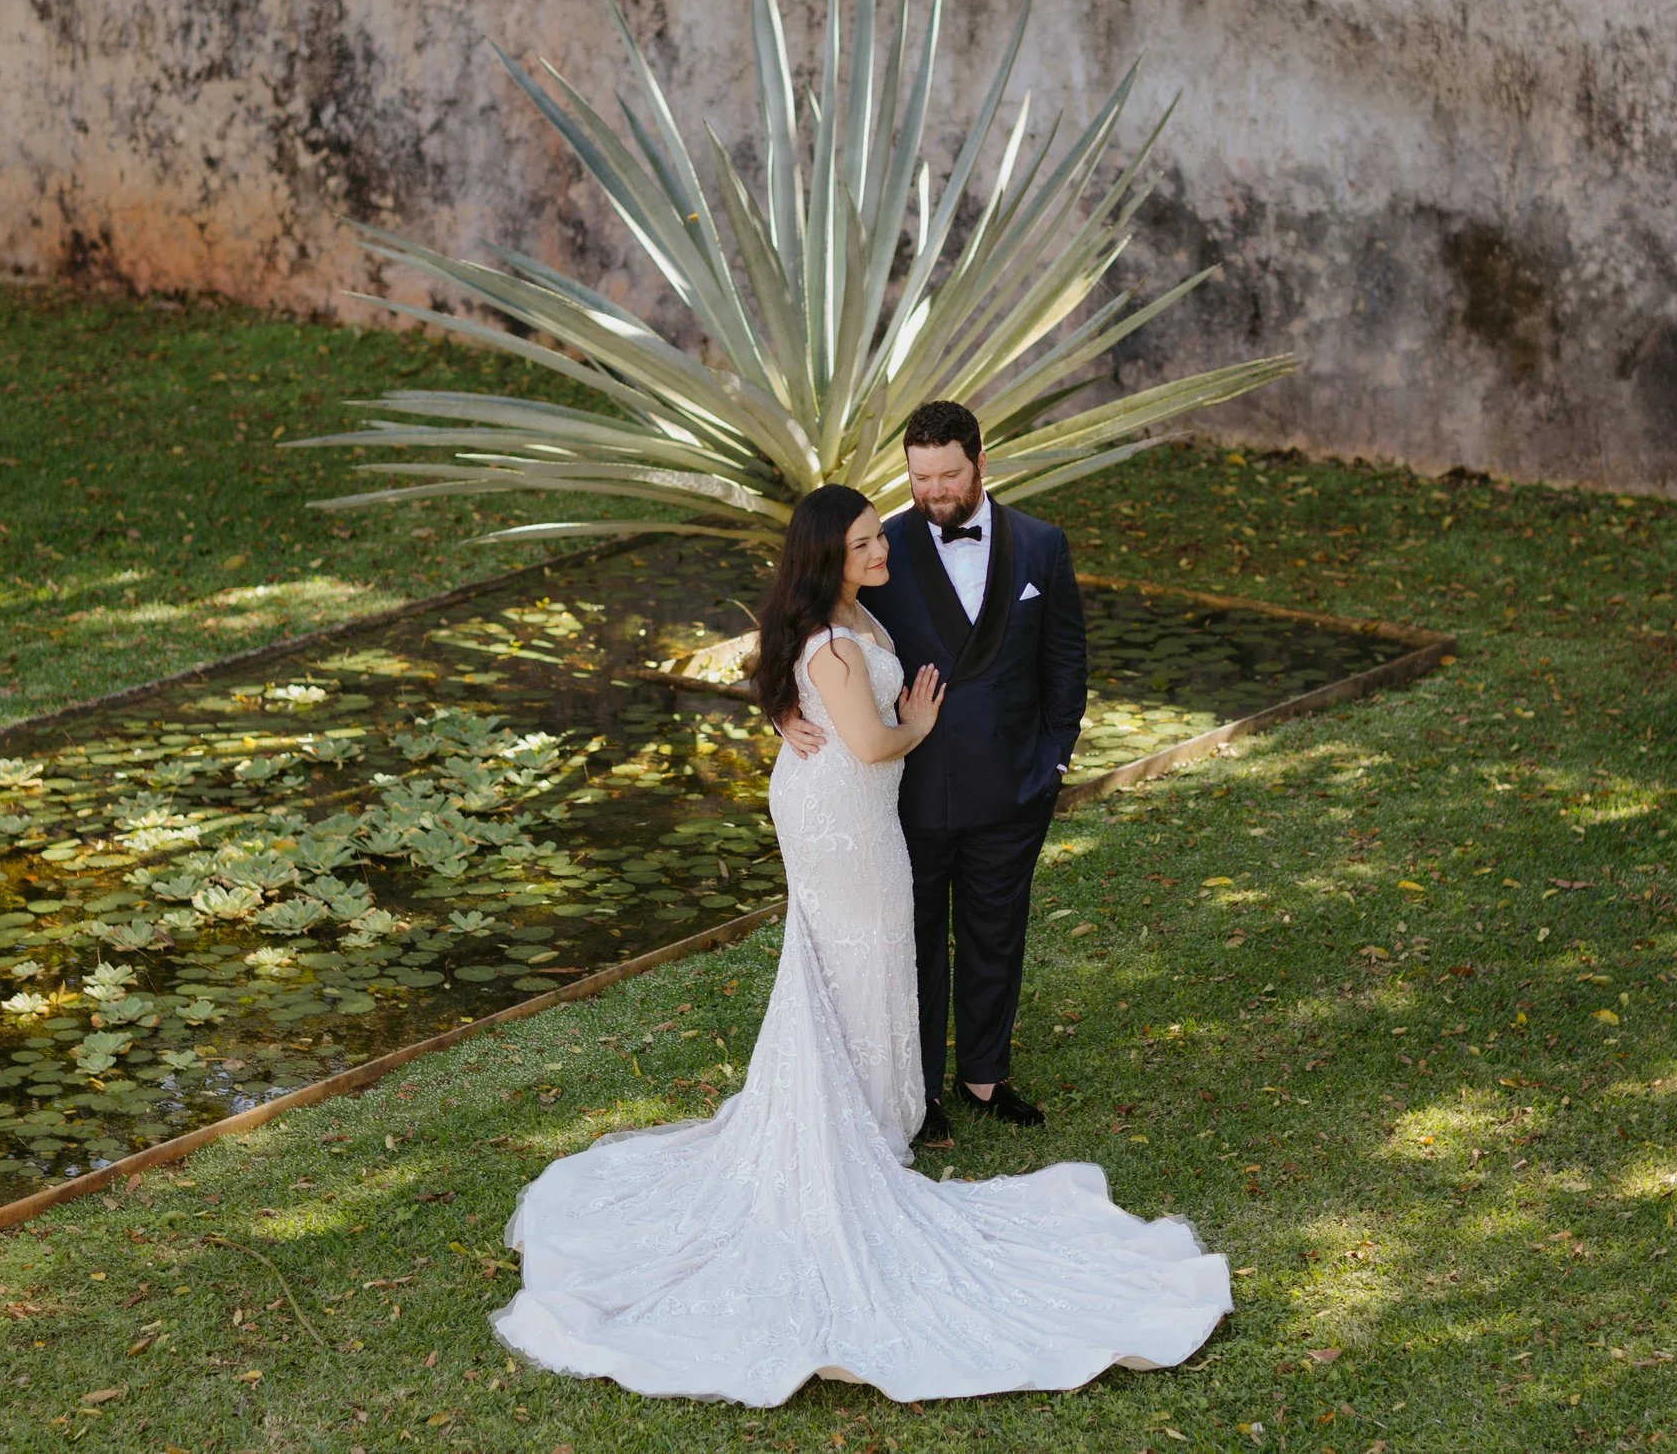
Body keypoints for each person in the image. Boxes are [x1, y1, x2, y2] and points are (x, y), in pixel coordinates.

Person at [489, 485, 1229, 1405]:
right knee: (865, 952)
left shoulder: (842, 622)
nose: (885, 550)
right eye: (869, 542)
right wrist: (914, 723)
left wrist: (819, 712)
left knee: (858, 960)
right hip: (845, 816)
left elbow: (811, 694)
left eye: (881, 536)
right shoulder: (836, 642)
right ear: (829, 556)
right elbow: (875, 744)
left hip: (847, 810)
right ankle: (865, 1122)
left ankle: (872, 1108)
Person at [780, 400, 1084, 1144]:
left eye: (950, 473)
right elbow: (801, 622)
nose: (936, 490)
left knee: (995, 931)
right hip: (904, 793)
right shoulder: (879, 547)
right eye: (921, 477)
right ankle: (913, 1092)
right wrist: (783, 708)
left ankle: (986, 1075)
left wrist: (1054, 757)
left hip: (1013, 785)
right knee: (909, 940)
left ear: (982, 462)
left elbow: (1065, 660)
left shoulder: (1043, 547)